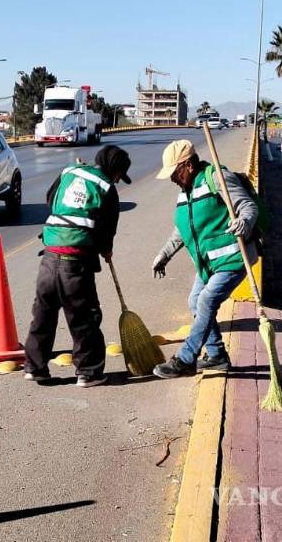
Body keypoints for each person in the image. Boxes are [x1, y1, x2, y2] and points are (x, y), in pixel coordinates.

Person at [24, 145, 132, 388]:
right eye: (118, 176)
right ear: (114, 172)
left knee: (43, 314)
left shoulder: (70, 171)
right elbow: (107, 228)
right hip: (75, 264)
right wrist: (106, 248)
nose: (117, 180)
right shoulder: (107, 188)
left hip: (49, 258)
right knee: (84, 317)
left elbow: (51, 200)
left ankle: (34, 367)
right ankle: (89, 372)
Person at [151, 139, 258, 378]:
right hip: (208, 264)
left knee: (207, 301)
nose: (172, 178)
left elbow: (247, 206)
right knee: (195, 301)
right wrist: (164, 255)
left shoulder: (217, 178)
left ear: (188, 165)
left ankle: (186, 358)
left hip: (232, 258)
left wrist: (244, 222)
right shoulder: (185, 192)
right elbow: (182, 230)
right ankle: (217, 355)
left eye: (174, 172)